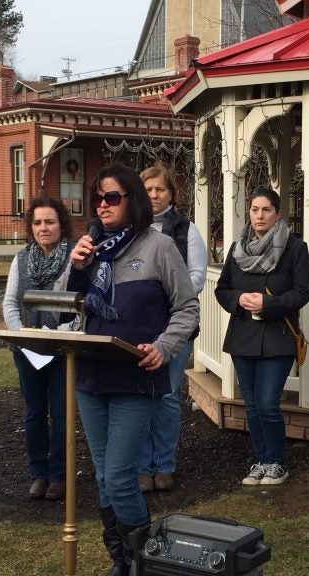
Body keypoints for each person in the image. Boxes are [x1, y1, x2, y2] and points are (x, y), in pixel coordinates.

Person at [67, 162, 199, 575]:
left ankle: (143, 561)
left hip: (135, 378)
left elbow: (187, 307)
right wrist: (76, 270)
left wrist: (164, 346)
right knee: (105, 476)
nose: (102, 206)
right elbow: (59, 310)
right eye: (97, 199)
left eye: (111, 198)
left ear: (132, 201)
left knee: (121, 476)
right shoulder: (91, 250)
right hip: (90, 378)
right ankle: (122, 561)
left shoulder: (158, 247)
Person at [215, 187, 309, 487]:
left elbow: (302, 293)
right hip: (243, 335)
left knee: (268, 404)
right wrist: (240, 299)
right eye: (255, 210)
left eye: (266, 210)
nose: (259, 215)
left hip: (277, 337)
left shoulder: (295, 248)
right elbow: (222, 289)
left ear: (277, 214)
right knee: (253, 405)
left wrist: (268, 304)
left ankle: (278, 462)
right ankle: (261, 460)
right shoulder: (237, 248)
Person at [136, 162, 207, 493]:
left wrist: (165, 299)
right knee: (137, 397)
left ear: (171, 193)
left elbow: (196, 275)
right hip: (136, 328)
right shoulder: (130, 228)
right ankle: (141, 464)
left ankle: (163, 465)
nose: (153, 195)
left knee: (165, 396)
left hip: (175, 328)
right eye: (148, 189)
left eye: (159, 189)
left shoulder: (185, 230)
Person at [2, 197, 74, 501]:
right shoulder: (20, 259)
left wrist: (57, 335)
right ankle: (39, 473)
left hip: (62, 349)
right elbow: (9, 303)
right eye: (37, 222)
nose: (43, 228)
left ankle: (58, 476)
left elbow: (82, 305)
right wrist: (23, 336)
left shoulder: (75, 257)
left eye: (50, 222)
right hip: (27, 350)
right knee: (33, 413)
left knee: (61, 413)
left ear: (61, 225)